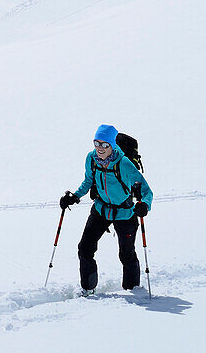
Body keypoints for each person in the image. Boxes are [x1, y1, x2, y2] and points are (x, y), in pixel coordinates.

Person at [60, 124, 153, 294]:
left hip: (125, 213)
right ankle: (88, 289)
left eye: (105, 144)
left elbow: (147, 190)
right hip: (101, 209)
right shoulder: (91, 159)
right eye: (97, 143)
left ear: (112, 145)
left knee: (126, 254)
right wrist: (75, 196)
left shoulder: (124, 163)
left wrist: (144, 205)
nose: (100, 148)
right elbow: (88, 181)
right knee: (85, 248)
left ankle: (132, 291)